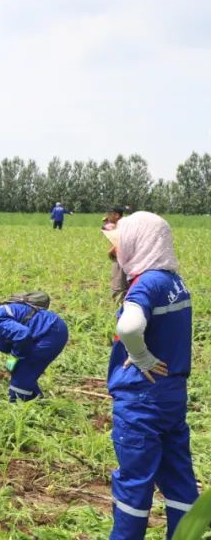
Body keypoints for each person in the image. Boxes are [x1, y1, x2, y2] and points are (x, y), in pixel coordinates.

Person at [101, 212, 197, 539]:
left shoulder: (148, 284)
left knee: (134, 484)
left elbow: (128, 326)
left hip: (142, 398)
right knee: (179, 478)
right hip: (172, 395)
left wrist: (140, 355)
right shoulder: (176, 282)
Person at [0, 295, 69, 401]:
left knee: (20, 381)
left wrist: (15, 356)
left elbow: (23, 334)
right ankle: (37, 401)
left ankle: (22, 408)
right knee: (22, 374)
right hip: (40, 335)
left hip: (50, 332)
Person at [103, 206, 129, 303]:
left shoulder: (122, 226)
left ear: (117, 215)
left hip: (120, 259)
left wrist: (111, 251)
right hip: (124, 258)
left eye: (110, 214)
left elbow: (122, 241)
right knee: (124, 282)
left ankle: (119, 305)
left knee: (118, 284)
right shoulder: (121, 225)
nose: (108, 216)